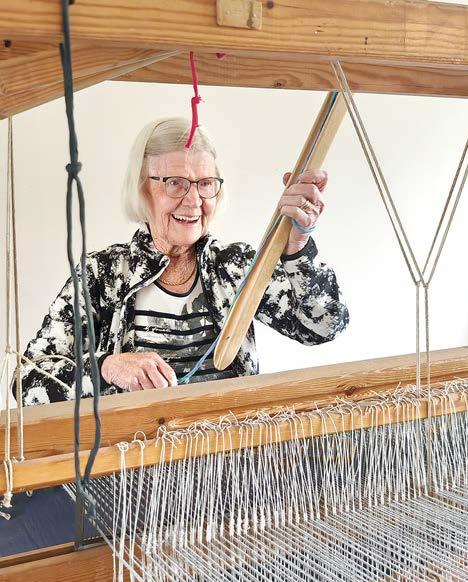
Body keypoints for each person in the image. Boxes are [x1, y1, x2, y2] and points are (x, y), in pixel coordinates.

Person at [19, 118, 349, 406]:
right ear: (141, 188)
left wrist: (298, 248)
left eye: (205, 184)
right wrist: (105, 366)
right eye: (174, 183)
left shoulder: (235, 266)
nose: (193, 201)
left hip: (231, 453)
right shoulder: (101, 274)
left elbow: (322, 328)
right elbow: (27, 382)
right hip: (137, 457)